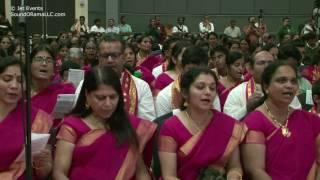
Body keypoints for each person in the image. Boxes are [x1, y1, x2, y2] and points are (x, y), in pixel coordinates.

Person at [53, 66, 156, 180]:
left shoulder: (130, 125)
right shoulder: (72, 127)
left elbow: (141, 172)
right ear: (87, 95)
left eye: (112, 97)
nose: (108, 104)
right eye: (100, 98)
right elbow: (59, 173)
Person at [158, 67, 245, 180]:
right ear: (185, 93)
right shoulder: (170, 127)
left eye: (212, 88)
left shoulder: (228, 125)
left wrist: (234, 176)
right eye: (200, 87)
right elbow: (169, 176)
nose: (208, 92)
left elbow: (235, 167)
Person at [241, 61, 320, 179]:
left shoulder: (311, 121)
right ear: (266, 87)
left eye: (293, 81)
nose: (289, 85)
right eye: (282, 81)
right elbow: (255, 171)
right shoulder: (254, 122)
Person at [0, 57, 53, 179]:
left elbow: (44, 173)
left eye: (20, 81)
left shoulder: (37, 119)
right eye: (7, 79)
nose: (14, 86)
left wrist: (43, 163)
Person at [224, 51, 301, 120]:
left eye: (270, 63)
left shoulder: (285, 91)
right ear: (250, 69)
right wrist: (246, 108)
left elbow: (298, 116)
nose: (267, 66)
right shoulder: (237, 93)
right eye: (261, 63)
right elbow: (227, 121)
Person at [96, 33, 156, 121]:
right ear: (99, 58)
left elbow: (146, 126)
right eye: (105, 56)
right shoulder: (85, 84)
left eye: (114, 56)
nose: (109, 60)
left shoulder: (141, 86)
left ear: (124, 57)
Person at [156, 46, 221, 117]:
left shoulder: (210, 93)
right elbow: (162, 125)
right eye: (191, 70)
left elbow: (217, 120)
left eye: (200, 71)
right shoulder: (165, 96)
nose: (196, 76)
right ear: (182, 68)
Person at [30, 44, 75, 118]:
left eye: (49, 60)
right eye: (39, 59)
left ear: (54, 68)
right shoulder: (20, 92)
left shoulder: (63, 92)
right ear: (30, 65)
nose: (44, 64)